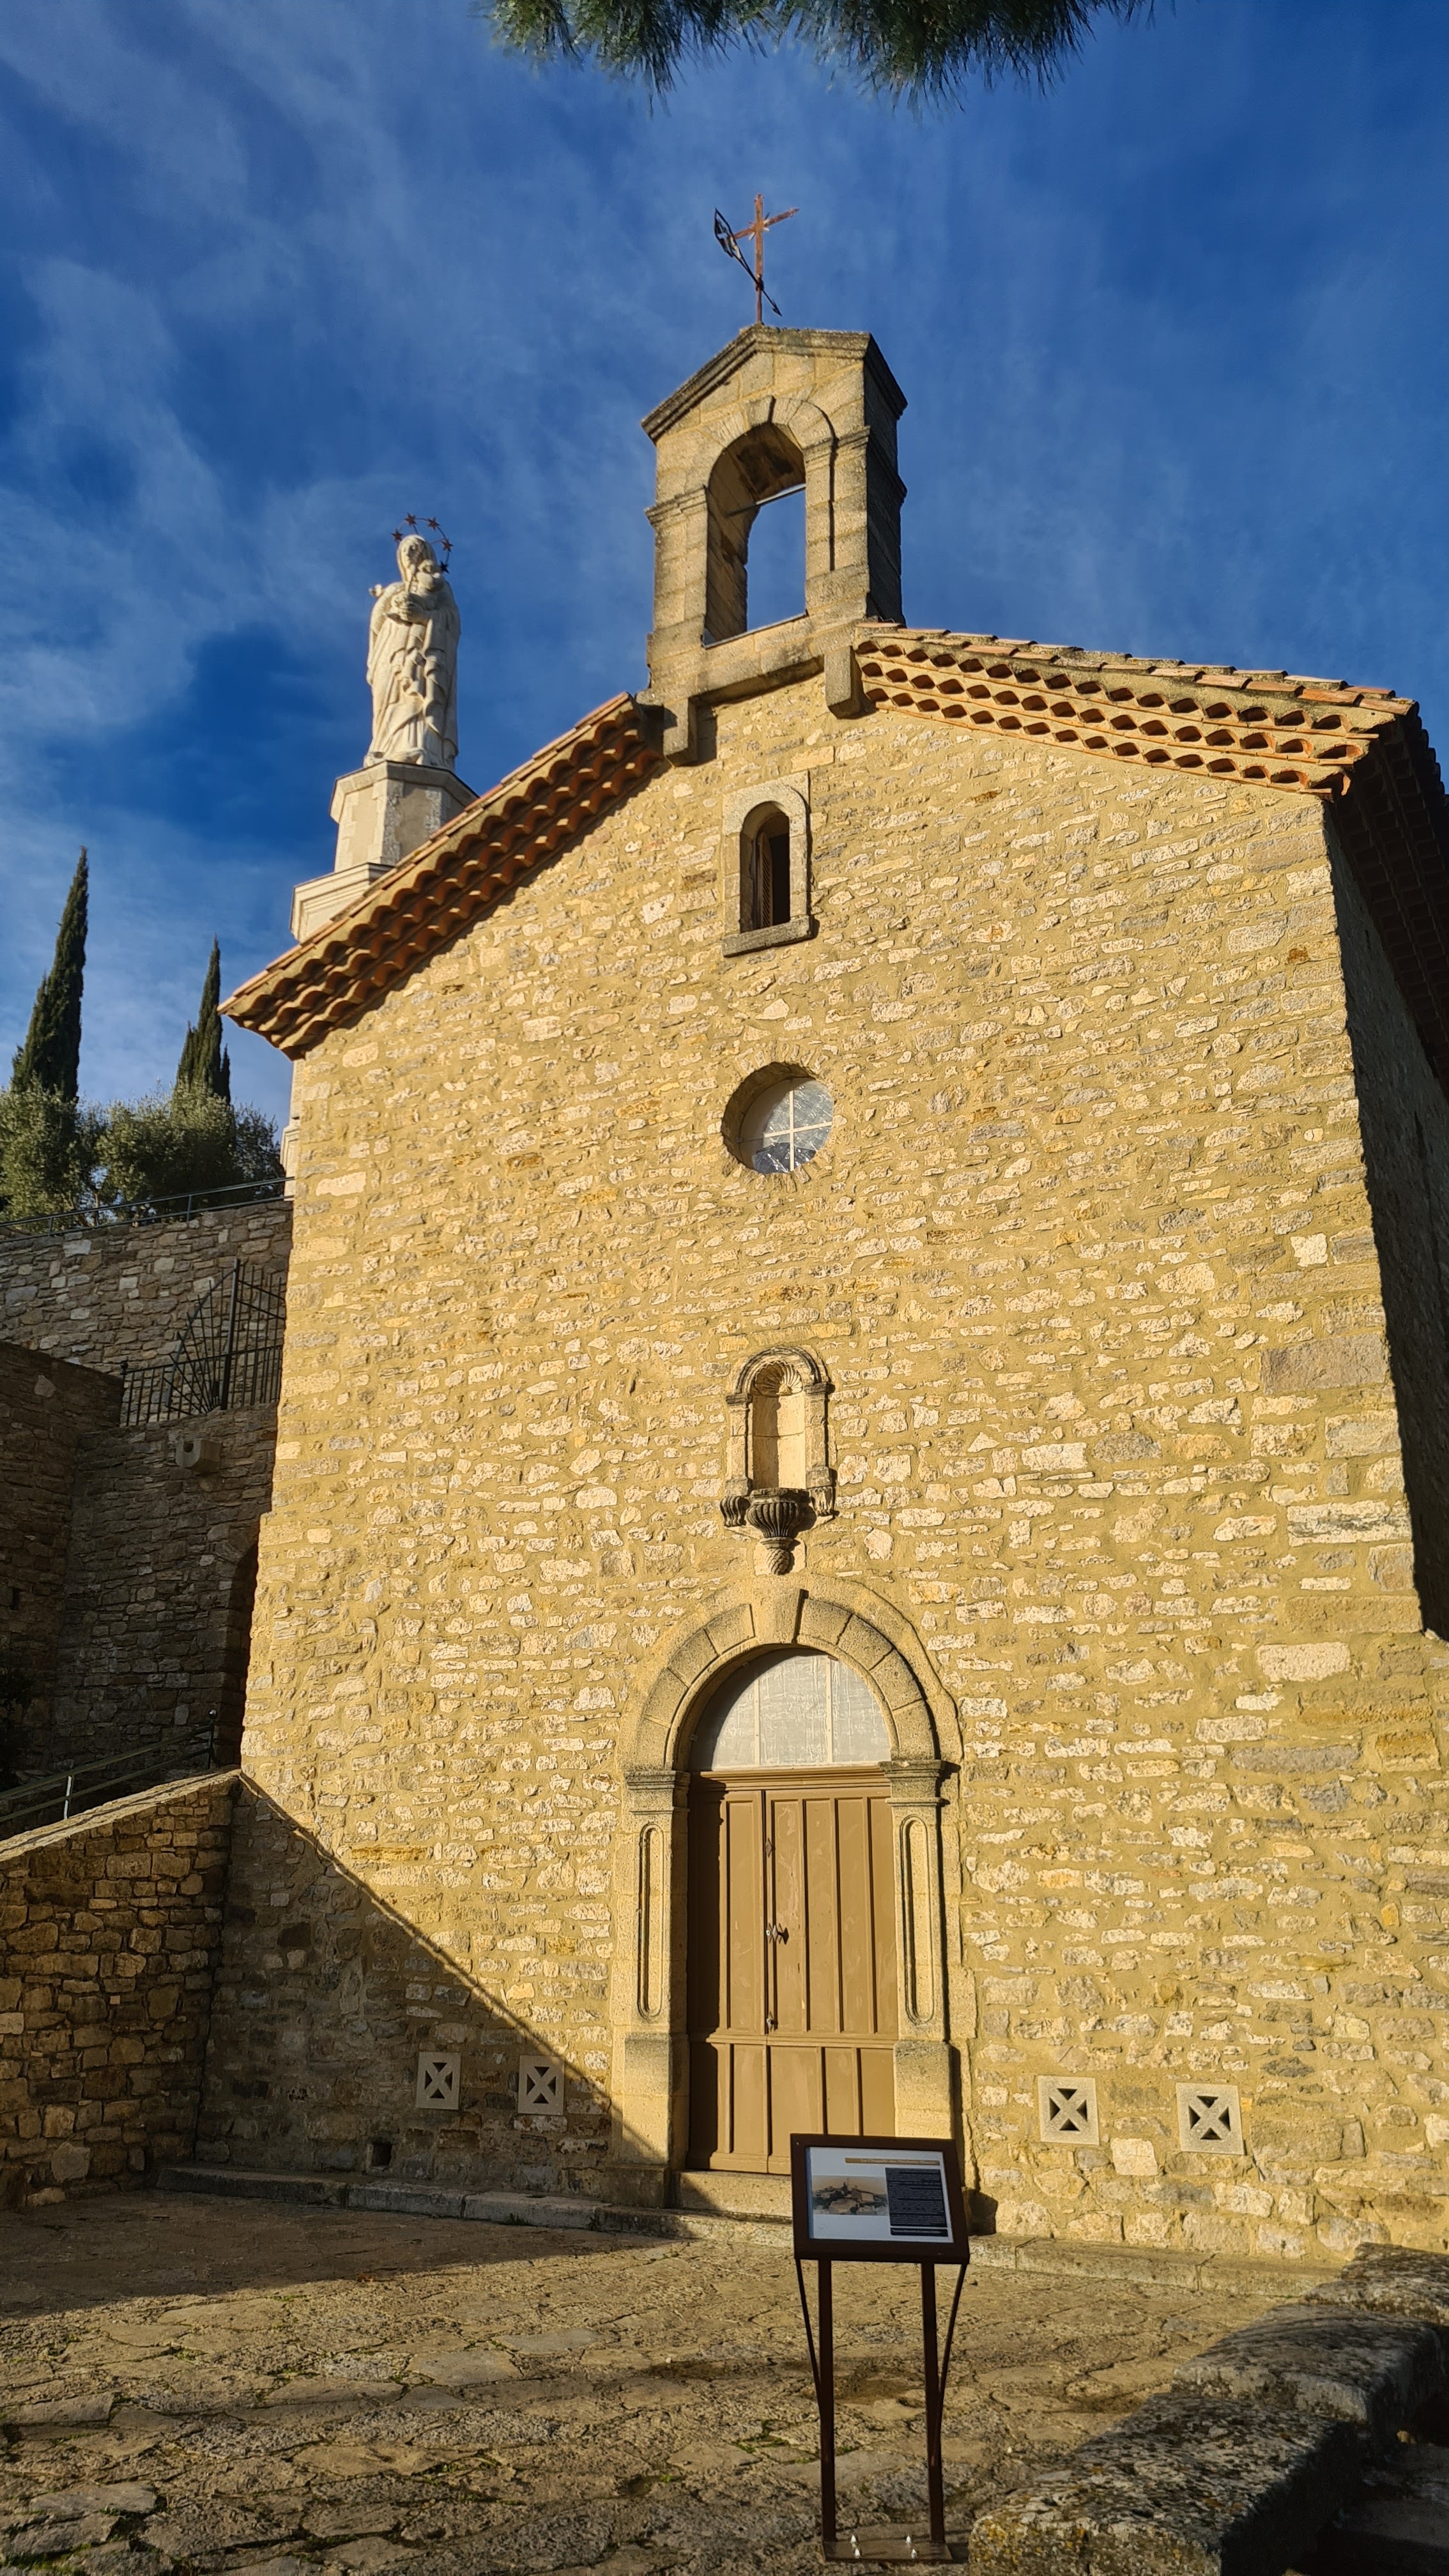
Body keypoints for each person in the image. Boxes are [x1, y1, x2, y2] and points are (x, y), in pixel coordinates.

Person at [365, 534, 459, 769]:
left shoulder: (439, 587)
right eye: (405, 550)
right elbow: (376, 625)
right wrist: (389, 603)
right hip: (391, 648)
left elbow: (452, 622)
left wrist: (425, 617)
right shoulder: (394, 589)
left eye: (415, 548)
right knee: (388, 697)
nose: (409, 554)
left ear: (426, 554)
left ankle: (420, 746)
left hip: (422, 648)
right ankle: (386, 747)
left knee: (418, 691)